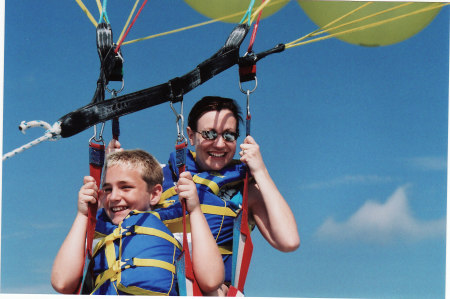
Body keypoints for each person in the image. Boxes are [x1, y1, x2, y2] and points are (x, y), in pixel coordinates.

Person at [159, 96, 300, 295]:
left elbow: (289, 240)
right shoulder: (160, 178)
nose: (220, 144)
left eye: (229, 135)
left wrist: (260, 171)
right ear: (190, 136)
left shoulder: (245, 189)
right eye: (209, 134)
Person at [51, 149, 224, 295]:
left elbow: (211, 280)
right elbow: (61, 283)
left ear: (155, 194)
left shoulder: (175, 233)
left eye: (126, 187)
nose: (114, 197)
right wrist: (83, 214)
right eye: (108, 189)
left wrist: (194, 210)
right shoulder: (97, 237)